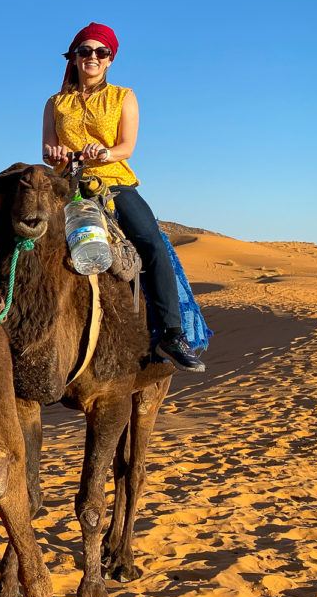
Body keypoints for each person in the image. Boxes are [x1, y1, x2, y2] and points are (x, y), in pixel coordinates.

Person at [42, 22, 205, 372]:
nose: (93, 57)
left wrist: (103, 153)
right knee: (29, 241)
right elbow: (46, 150)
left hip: (113, 183)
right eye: (85, 51)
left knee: (152, 244)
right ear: (73, 57)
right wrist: (56, 155)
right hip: (67, 186)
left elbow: (127, 147)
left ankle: (171, 333)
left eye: (102, 52)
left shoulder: (123, 96)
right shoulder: (55, 103)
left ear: (110, 60)